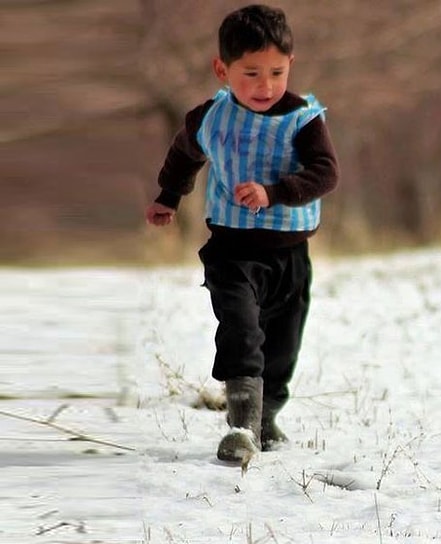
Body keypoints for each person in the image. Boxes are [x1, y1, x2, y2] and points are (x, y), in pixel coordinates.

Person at [145, 4, 339, 462]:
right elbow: (184, 154)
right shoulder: (210, 118)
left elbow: (325, 174)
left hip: (290, 255)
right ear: (222, 69)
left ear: (291, 64)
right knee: (241, 331)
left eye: (276, 71)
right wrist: (168, 196)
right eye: (250, 73)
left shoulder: (304, 119)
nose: (265, 85)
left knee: (282, 345)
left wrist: (276, 193)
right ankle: (241, 426)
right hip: (230, 250)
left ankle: (267, 416)